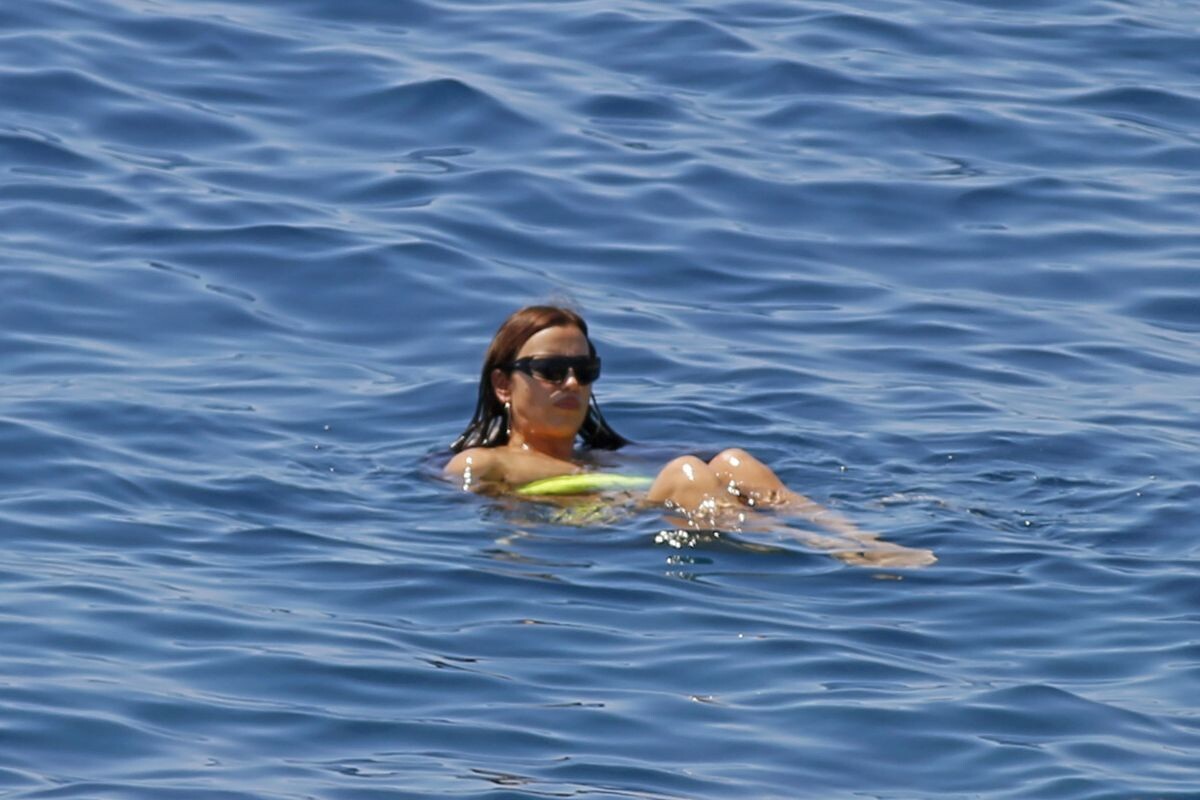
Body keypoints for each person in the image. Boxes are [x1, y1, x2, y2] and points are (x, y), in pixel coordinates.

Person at [445, 305, 935, 567]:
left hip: (642, 515)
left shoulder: (604, 460)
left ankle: (861, 539)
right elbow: (491, 530)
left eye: (584, 370)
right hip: (601, 537)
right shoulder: (485, 463)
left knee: (735, 461)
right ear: (503, 385)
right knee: (685, 473)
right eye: (552, 370)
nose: (572, 384)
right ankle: (827, 553)